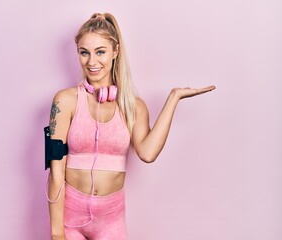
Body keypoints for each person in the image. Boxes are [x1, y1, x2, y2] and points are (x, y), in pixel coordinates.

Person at [46, 13, 216, 240]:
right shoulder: (65, 101)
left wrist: (174, 98)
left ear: (115, 52)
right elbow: (56, 171)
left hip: (111, 218)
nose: (91, 62)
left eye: (100, 52)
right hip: (70, 218)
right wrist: (57, 233)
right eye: (84, 52)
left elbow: (147, 153)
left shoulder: (133, 106)